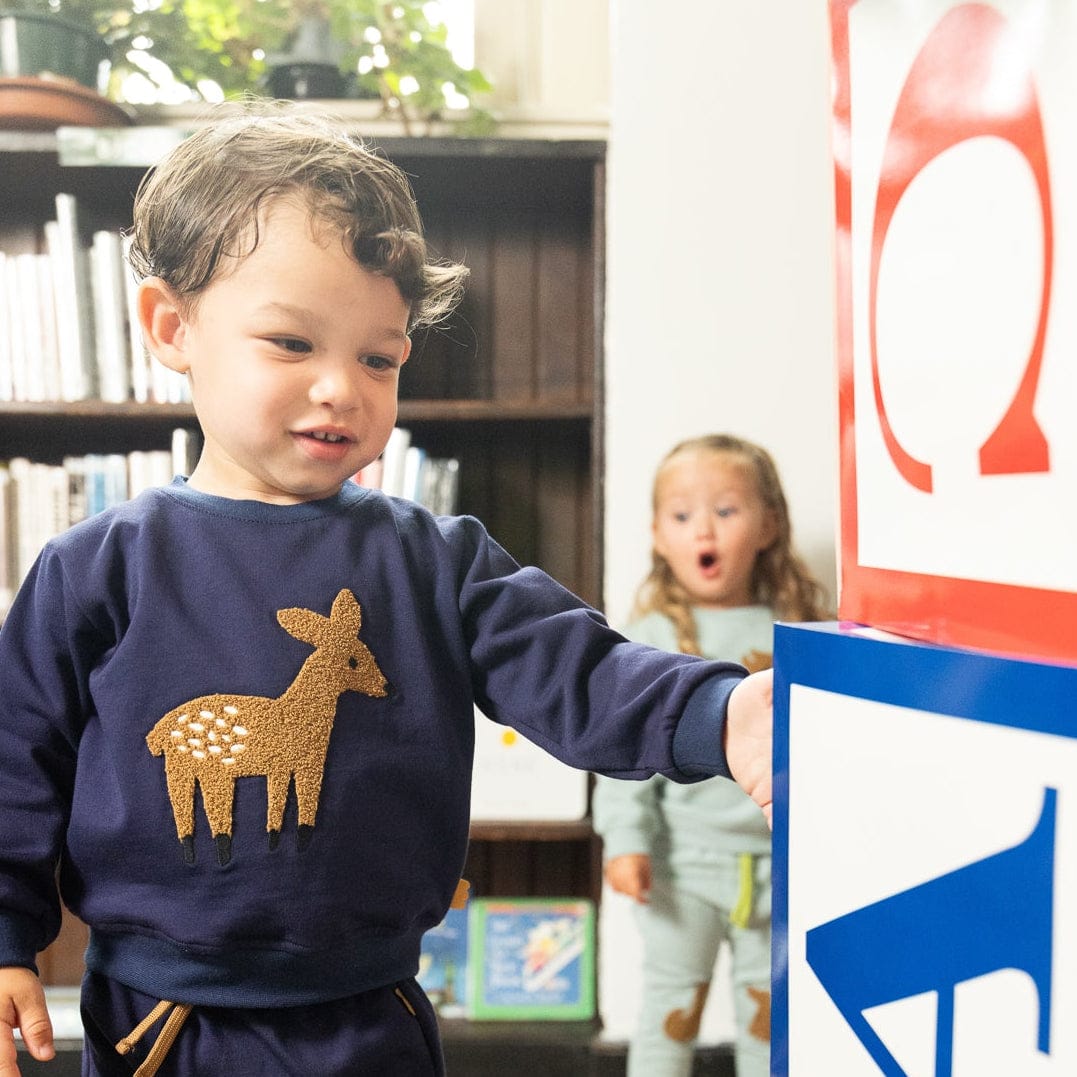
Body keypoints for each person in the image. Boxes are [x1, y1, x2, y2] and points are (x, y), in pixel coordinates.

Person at [0, 110, 774, 1077]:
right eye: (291, 342)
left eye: (379, 358)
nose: (341, 387)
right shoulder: (97, 568)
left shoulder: (437, 562)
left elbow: (581, 671)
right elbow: (14, 761)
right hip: (162, 1026)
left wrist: (722, 711)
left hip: (372, 1016)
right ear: (172, 326)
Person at [594, 433, 828, 1077]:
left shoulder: (805, 629)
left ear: (768, 526)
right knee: (671, 1013)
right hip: (683, 871)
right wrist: (625, 843)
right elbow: (624, 752)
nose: (704, 529)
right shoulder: (650, 639)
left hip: (780, 869)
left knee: (769, 1020)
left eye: (726, 511)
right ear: (657, 535)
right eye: (681, 515)